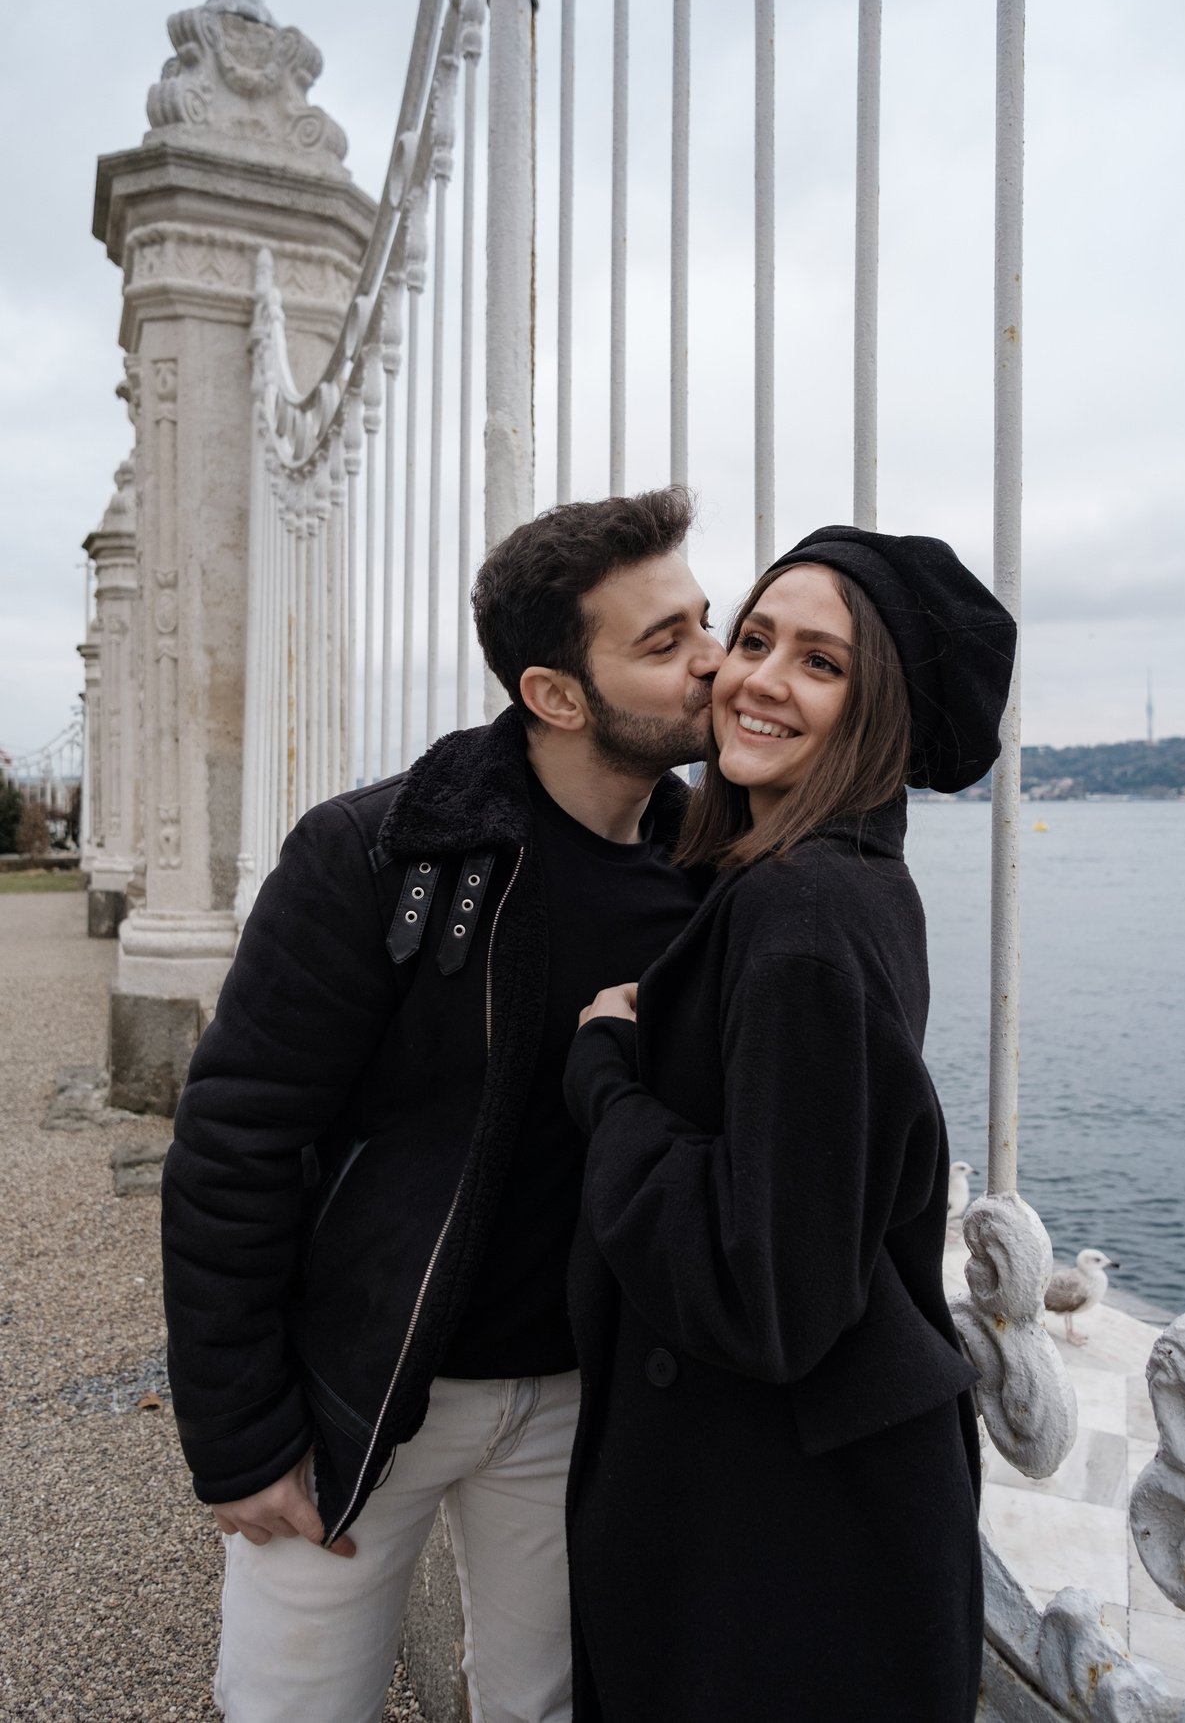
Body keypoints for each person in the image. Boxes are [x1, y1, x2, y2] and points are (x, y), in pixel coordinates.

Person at [160, 487, 725, 1723]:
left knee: (550, 1706)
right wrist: (240, 1432)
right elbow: (233, 1140)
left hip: (584, 1397)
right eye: (663, 641)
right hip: (362, 1400)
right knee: (291, 1708)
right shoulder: (374, 855)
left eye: (703, 619)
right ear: (554, 694)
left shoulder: (711, 874)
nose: (713, 663)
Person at [563, 525, 1018, 1722]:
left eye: (820, 663)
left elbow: (765, 1292)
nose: (757, 677)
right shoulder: (812, 882)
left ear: (880, 715)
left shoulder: (805, 915)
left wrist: (606, 1075)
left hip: (791, 1552)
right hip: (795, 1506)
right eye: (755, 637)